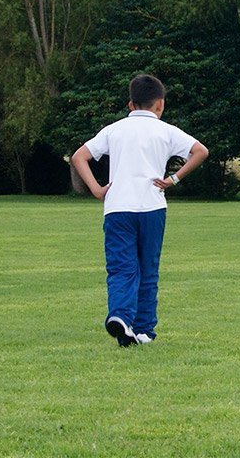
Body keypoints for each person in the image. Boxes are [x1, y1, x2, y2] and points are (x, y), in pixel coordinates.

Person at [71, 74, 209, 347]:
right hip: (152, 206)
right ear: (160, 104)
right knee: (148, 268)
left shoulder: (114, 129)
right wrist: (174, 179)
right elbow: (200, 151)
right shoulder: (166, 131)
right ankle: (144, 329)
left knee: (122, 267)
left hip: (118, 208)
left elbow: (79, 157)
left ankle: (121, 317)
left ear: (130, 104)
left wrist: (97, 189)